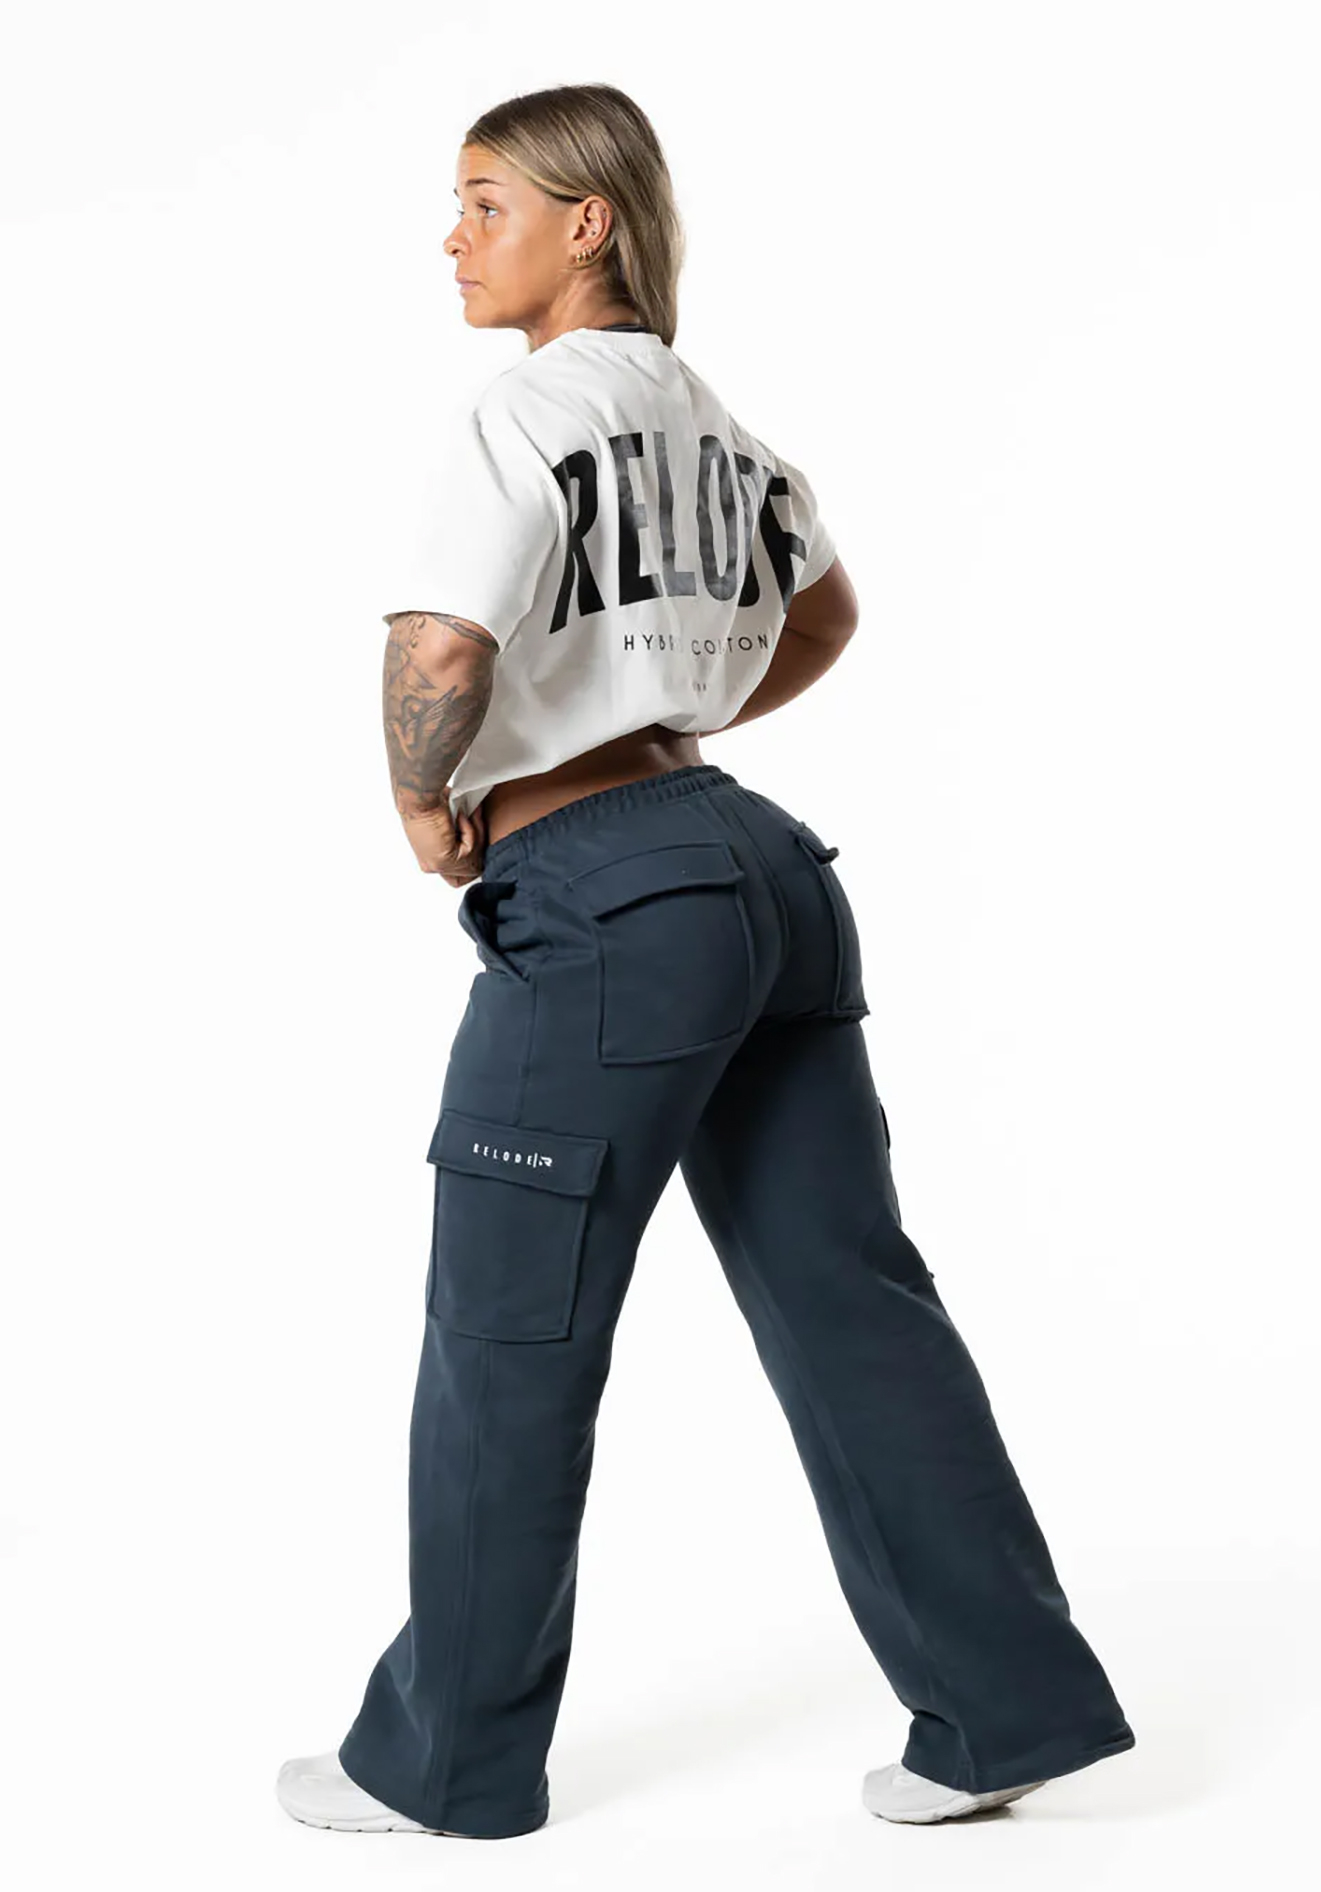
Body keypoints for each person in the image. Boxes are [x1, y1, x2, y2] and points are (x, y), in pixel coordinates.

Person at [276, 82, 1136, 1842]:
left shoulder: (524, 412)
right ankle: (1005, 1709)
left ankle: (444, 1766)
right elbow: (826, 615)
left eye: (486, 203)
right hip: (760, 869)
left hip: (606, 902)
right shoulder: (717, 429)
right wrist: (668, 717)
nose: (453, 238)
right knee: (854, 1305)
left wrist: (423, 801)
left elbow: (441, 640)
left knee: (510, 1331)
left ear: (586, 221)